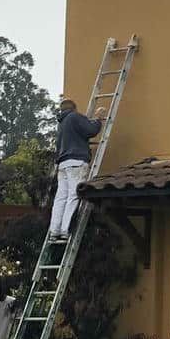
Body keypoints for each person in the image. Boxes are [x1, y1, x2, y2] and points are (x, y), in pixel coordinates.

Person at [50, 97, 106, 239]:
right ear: (74, 108)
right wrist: (98, 119)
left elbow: (58, 147)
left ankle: (54, 229)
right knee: (73, 195)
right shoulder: (74, 117)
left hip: (63, 164)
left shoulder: (61, 124)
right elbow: (91, 130)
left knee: (61, 197)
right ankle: (65, 229)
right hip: (76, 162)